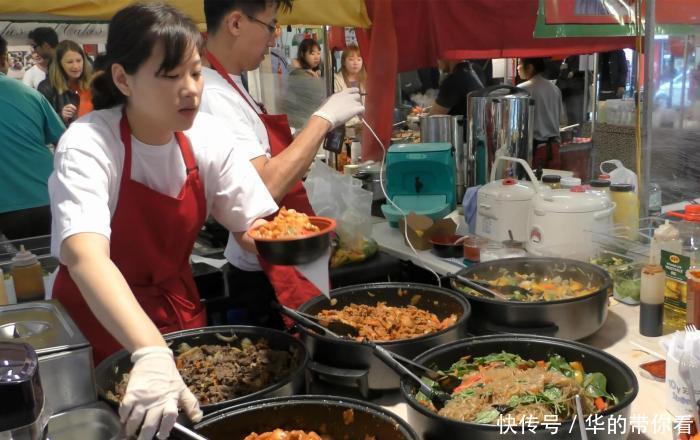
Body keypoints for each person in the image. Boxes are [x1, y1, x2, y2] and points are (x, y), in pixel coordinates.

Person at [48, 4, 277, 439]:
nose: (190, 90)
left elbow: (254, 226)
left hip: (179, 323)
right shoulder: (89, 142)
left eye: (195, 73)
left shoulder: (207, 137)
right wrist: (150, 352)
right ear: (122, 78)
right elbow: (84, 256)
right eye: (171, 76)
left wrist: (296, 241)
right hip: (98, 327)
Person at [200, 0, 363, 328]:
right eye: (269, 25)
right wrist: (323, 118)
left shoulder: (233, 86)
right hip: (264, 273)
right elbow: (263, 188)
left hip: (278, 259)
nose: (274, 38)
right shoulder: (213, 94)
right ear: (235, 23)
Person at [0, 35, 65, 240]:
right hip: (48, 197)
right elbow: (64, 141)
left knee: (14, 270)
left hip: (6, 209)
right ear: (4, 59)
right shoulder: (29, 94)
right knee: (54, 267)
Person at [517, 57, 566, 170]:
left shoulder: (522, 89)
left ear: (530, 68)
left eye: (519, 64)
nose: (517, 67)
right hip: (554, 148)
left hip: (534, 150)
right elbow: (561, 119)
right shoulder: (555, 89)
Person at [38, 40, 93, 125]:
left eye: (78, 60)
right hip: (65, 137)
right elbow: (41, 122)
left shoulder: (94, 85)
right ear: (60, 64)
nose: (76, 66)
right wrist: (60, 117)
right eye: (70, 62)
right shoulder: (47, 87)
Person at [333, 45, 366, 135]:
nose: (355, 63)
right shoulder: (336, 80)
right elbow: (338, 108)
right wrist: (357, 123)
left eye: (359, 59)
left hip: (366, 127)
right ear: (343, 62)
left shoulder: (366, 79)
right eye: (351, 59)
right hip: (347, 129)